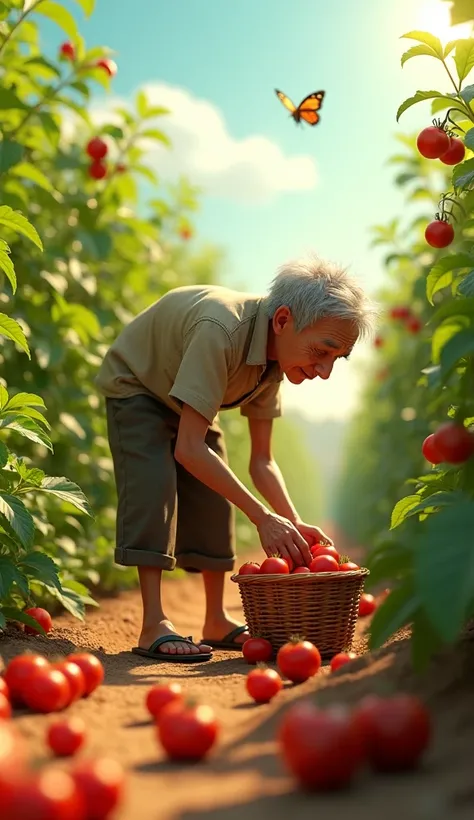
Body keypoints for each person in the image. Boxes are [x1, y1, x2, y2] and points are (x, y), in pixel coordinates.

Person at [95, 254, 376, 663]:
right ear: (282, 320)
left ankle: (215, 618)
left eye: (338, 358)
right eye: (322, 351)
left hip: (188, 395)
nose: (326, 370)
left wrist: (291, 520)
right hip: (138, 385)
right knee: (153, 487)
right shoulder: (222, 331)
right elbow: (188, 449)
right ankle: (153, 621)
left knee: (215, 502)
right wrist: (262, 518)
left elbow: (262, 461)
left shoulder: (275, 362)